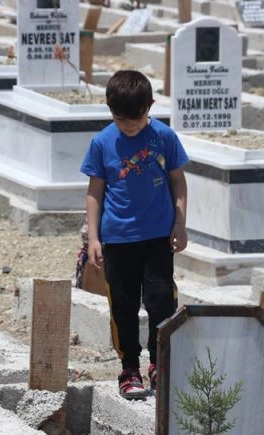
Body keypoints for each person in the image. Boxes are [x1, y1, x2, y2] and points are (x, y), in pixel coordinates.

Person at [81, 70, 189, 400]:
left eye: (137, 118)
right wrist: (94, 238)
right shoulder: (102, 143)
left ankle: (160, 361)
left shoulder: (164, 136)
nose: (129, 126)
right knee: (123, 306)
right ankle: (129, 367)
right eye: (121, 119)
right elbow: (95, 191)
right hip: (118, 238)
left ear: (150, 106)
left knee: (160, 299)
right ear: (110, 110)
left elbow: (177, 181)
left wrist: (180, 223)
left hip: (158, 236)